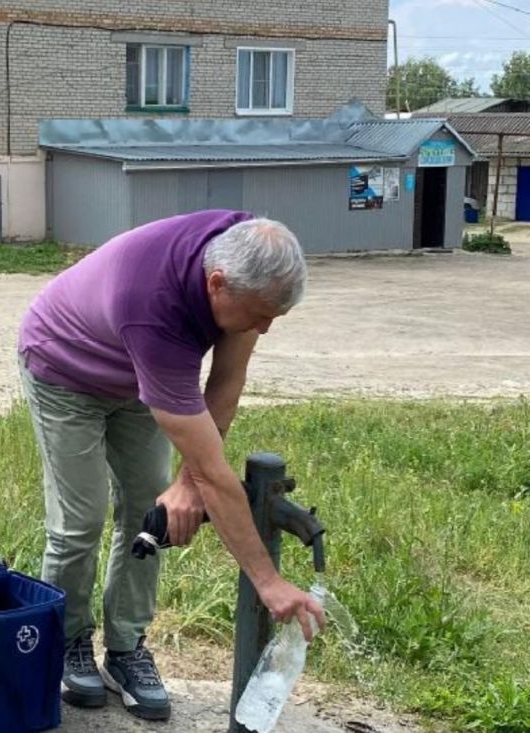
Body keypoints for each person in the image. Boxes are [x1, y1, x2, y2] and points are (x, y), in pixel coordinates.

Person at [17, 210, 326, 721]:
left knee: (149, 509)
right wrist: (269, 582)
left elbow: (226, 383)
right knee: (81, 520)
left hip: (140, 378)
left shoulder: (247, 257)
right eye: (259, 315)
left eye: (275, 316)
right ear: (216, 284)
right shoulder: (154, 305)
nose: (265, 328)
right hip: (65, 369)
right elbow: (213, 472)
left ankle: (125, 649)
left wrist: (184, 483)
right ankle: (68, 642)